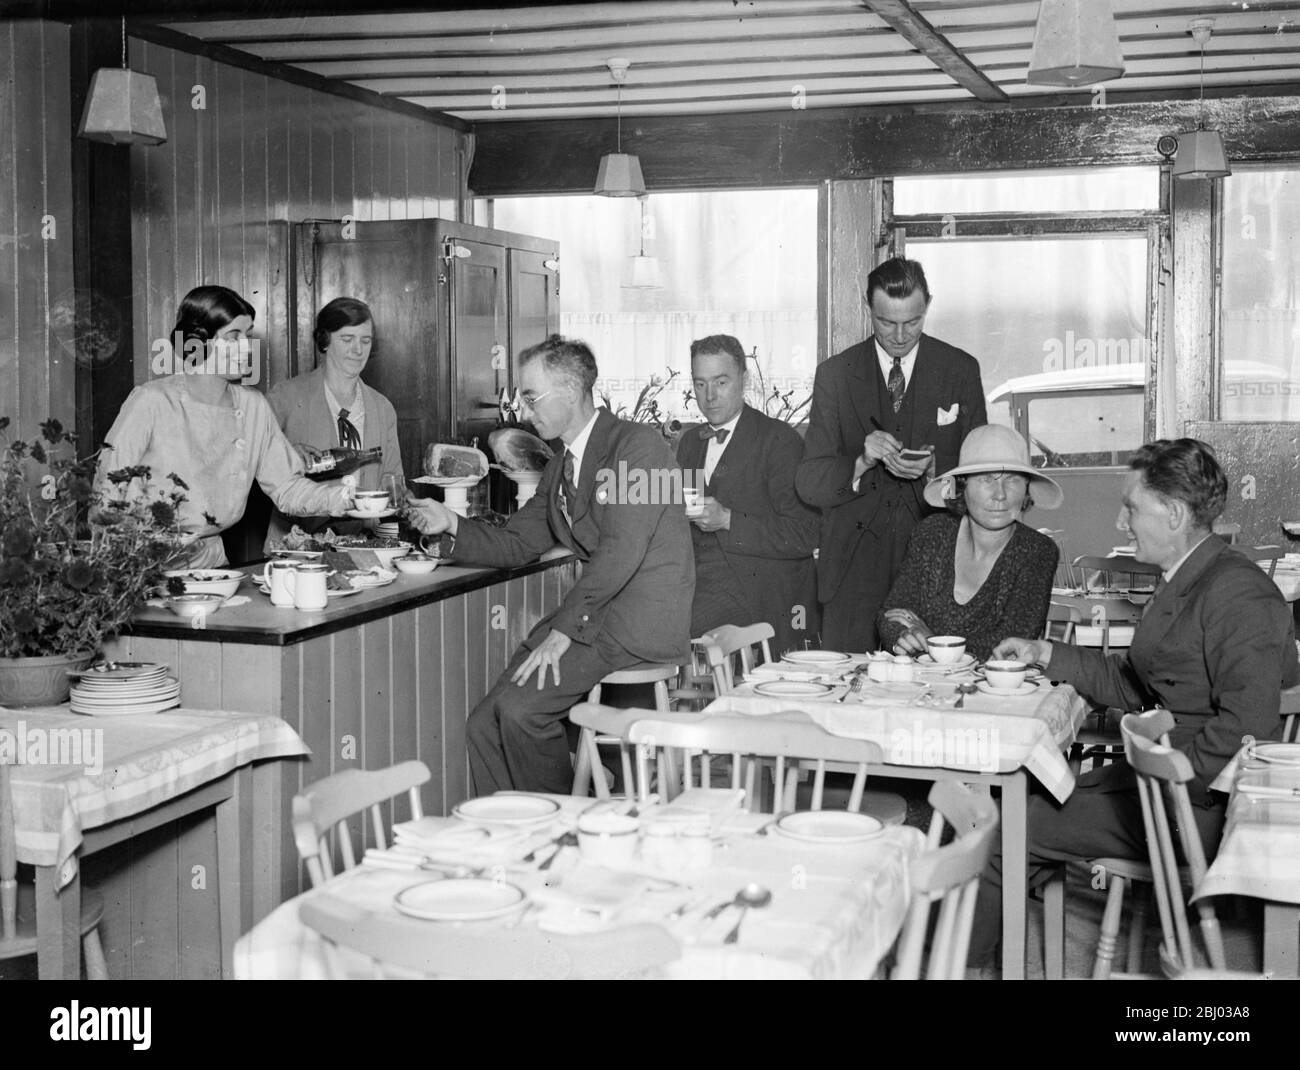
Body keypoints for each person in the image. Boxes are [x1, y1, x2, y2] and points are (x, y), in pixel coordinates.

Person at [966, 437, 1300, 973]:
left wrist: (1160, 772)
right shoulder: (1189, 580)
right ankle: (998, 948)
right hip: (1160, 782)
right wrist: (1044, 651)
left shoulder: (1238, 593)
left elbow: (1248, 728)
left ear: (1172, 514)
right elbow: (1133, 684)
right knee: (1020, 803)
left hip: (1194, 806)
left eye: (1131, 507)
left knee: (1007, 830)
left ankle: (965, 966)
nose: (1123, 523)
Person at [404, 335, 695, 795]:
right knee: (484, 724)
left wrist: (562, 631)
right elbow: (518, 542)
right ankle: (511, 838)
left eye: (532, 396)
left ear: (572, 390)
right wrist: (450, 524)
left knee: (522, 712)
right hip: (595, 621)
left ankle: (563, 830)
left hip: (635, 624)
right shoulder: (562, 465)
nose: (524, 410)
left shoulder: (641, 448)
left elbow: (622, 551)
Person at [796, 256, 987, 653]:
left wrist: (940, 474)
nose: (900, 335)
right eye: (886, 323)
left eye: (912, 322)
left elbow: (982, 477)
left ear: (927, 307)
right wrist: (860, 462)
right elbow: (809, 482)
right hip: (852, 577)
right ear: (869, 310)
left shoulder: (961, 370)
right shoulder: (835, 375)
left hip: (935, 574)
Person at [95, 285, 351, 569]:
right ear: (197, 341)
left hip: (212, 563)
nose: (246, 347)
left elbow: (287, 486)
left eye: (248, 335)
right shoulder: (151, 401)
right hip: (144, 565)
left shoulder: (253, 406)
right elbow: (106, 492)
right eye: (233, 336)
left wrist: (343, 498)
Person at [676, 335, 819, 655]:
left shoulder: (780, 441)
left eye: (720, 382)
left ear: (745, 380)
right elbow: (684, 514)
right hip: (697, 583)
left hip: (757, 594)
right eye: (699, 384)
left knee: (658, 625)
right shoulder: (690, 444)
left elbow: (805, 533)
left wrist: (727, 520)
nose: (709, 396)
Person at [877, 424, 1061, 662]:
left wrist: (933, 641)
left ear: (1027, 489)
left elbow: (1010, 647)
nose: (1000, 494)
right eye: (986, 479)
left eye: (1013, 480)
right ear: (962, 486)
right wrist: (905, 634)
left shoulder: (1037, 552)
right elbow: (890, 614)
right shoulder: (931, 533)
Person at [265, 296, 405, 548]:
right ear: (325, 341)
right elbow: (255, 465)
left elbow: (393, 481)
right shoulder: (286, 397)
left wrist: (393, 544)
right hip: (298, 547)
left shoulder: (382, 407)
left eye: (365, 340)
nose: (358, 350)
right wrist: (287, 455)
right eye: (347, 339)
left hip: (364, 547)